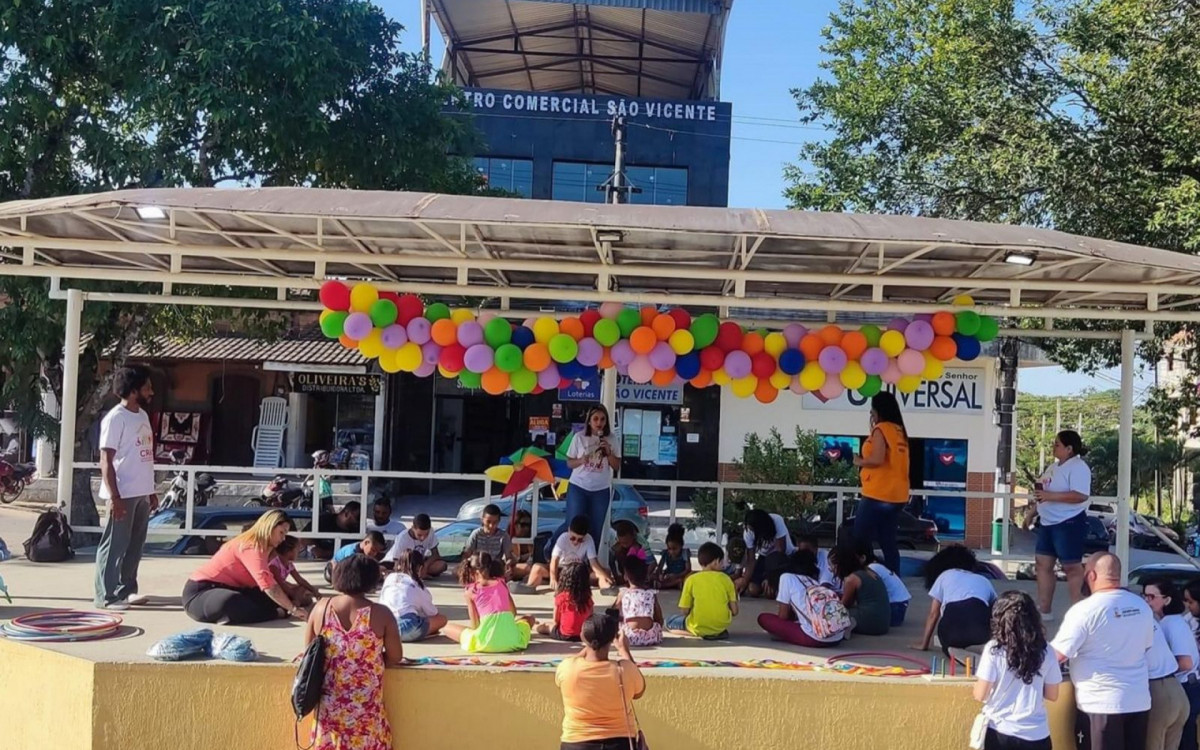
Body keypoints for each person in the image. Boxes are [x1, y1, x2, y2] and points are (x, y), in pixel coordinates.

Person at [1050, 553, 1154, 750]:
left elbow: (1057, 655)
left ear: (1091, 576)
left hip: (1099, 705)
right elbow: (1146, 646)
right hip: (1138, 701)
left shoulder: (1084, 610)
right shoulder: (1141, 606)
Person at [304, 553, 402, 750]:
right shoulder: (381, 614)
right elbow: (395, 656)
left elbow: (309, 651)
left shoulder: (321, 608)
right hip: (366, 706)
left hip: (329, 705)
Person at [94, 366, 158, 611]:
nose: (151, 392)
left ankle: (127, 590)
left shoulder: (141, 415)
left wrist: (150, 491)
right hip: (122, 494)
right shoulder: (115, 418)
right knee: (114, 546)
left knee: (134, 545)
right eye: (147, 387)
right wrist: (115, 497)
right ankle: (106, 597)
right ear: (133, 391)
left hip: (141, 493)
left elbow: (143, 455)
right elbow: (106, 460)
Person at [183, 509, 310, 624]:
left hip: (236, 588)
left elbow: (271, 583)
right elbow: (268, 584)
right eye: (281, 533)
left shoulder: (266, 549)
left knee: (277, 598)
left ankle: (252, 613)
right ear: (269, 527)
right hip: (202, 592)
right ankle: (273, 613)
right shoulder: (250, 546)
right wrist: (293, 609)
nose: (283, 539)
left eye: (285, 534)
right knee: (231, 601)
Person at [973, 591, 1062, 750]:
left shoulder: (994, 649)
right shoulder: (1046, 650)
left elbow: (980, 695)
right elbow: (1052, 695)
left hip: (1000, 731)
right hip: (1037, 735)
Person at [555, 613, 646, 750]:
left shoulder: (567, 668)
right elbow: (639, 691)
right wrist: (623, 649)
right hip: (619, 743)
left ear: (582, 636)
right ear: (612, 640)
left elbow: (573, 663)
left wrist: (589, 644)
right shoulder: (624, 669)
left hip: (576, 743)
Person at [1033, 429, 1093, 620]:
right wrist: (1032, 513)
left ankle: (1079, 613)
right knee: (1042, 564)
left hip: (1068, 522)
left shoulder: (1079, 467)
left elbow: (1080, 495)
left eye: (1057, 444)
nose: (1053, 447)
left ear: (1069, 448)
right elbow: (1043, 492)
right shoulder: (1053, 466)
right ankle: (1044, 609)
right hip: (1047, 521)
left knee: (1071, 567)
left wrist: (1051, 496)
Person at [548, 405, 620, 559]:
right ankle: (554, 551)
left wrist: (608, 452)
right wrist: (581, 460)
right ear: (589, 421)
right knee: (572, 522)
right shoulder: (579, 437)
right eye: (595, 419)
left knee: (595, 527)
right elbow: (569, 463)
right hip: (579, 486)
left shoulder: (612, 439)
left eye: (602, 419)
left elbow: (616, 466)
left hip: (601, 489)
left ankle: (586, 562)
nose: (599, 422)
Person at [852, 391, 910, 574]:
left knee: (859, 539)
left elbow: (876, 459)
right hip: (898, 495)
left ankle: (864, 577)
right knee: (888, 541)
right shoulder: (899, 431)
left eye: (872, 411)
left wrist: (859, 461)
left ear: (878, 411)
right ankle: (894, 581)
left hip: (877, 494)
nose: (871, 415)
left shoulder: (881, 429)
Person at [757, 548, 849, 648]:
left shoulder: (786, 577)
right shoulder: (814, 581)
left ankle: (788, 634)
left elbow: (783, 616)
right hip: (838, 635)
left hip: (816, 638)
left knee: (763, 618)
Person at [443, 551, 533, 653]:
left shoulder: (471, 591)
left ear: (473, 572)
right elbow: (513, 613)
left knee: (447, 627)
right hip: (512, 641)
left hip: (484, 643)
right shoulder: (501, 583)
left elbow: (475, 626)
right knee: (529, 618)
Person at [912, 545, 996, 653]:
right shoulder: (983, 580)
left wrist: (924, 644)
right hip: (980, 632)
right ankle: (983, 646)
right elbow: (997, 612)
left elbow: (933, 614)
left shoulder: (945, 575)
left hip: (952, 624)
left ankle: (951, 648)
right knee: (984, 611)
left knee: (948, 638)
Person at [1142, 579, 1193, 750]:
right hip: (1178, 693)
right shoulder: (1168, 622)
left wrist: (1163, 670)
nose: (1147, 601)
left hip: (1175, 687)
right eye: (1145, 596)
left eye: (1151, 596)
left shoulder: (1171, 623)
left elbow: (1186, 663)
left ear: (1167, 599)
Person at [521, 515, 614, 592]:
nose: (576, 542)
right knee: (537, 567)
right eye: (573, 538)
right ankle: (529, 586)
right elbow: (554, 559)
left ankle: (607, 589)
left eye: (580, 539)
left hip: (579, 572)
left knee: (604, 573)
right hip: (561, 570)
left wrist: (605, 576)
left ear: (585, 536)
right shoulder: (563, 538)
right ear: (569, 530)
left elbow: (593, 563)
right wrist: (553, 578)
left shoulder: (589, 539)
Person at [666, 542, 738, 640]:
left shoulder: (691, 579)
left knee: (669, 620)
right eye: (722, 562)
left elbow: (684, 611)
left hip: (697, 624)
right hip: (721, 626)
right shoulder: (727, 579)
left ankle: (695, 632)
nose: (723, 565)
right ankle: (715, 632)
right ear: (716, 561)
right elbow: (735, 611)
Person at [380, 549, 447, 642]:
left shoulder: (389, 578)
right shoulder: (417, 584)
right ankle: (422, 633)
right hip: (407, 626)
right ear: (419, 568)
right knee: (442, 619)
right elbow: (433, 613)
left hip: (385, 626)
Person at [829, 539, 891, 635]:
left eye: (833, 566)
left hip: (872, 621)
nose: (831, 569)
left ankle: (848, 624)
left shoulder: (851, 579)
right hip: (884, 623)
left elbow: (844, 605)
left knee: (832, 614)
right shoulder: (868, 571)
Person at [734, 508, 796, 598]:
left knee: (770, 593)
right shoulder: (748, 532)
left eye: (752, 528)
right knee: (753, 590)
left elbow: (780, 551)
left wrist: (770, 578)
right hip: (764, 557)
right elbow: (751, 560)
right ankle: (765, 584)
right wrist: (745, 581)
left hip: (783, 558)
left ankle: (777, 587)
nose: (750, 530)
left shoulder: (776, 520)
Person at [536, 560, 594, 642]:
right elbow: (590, 619)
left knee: (546, 625)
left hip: (565, 634)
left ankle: (535, 627)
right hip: (583, 635)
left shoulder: (561, 597)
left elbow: (555, 621)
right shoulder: (588, 598)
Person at [860, 540, 911, 626]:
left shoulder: (872, 568)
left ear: (863, 558)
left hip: (895, 607)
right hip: (900, 606)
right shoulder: (878, 566)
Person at [617, 556, 664, 646]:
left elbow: (613, 614)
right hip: (651, 637)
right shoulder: (651, 593)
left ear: (626, 576)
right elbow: (659, 618)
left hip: (628, 636)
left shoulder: (623, 593)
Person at [382, 513, 446, 578]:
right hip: (397, 563)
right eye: (419, 535)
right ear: (413, 528)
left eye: (426, 534)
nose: (423, 538)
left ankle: (418, 573)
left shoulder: (431, 532)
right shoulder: (402, 538)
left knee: (442, 565)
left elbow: (436, 554)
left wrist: (425, 566)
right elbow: (396, 560)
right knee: (386, 569)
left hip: (417, 564)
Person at [269, 535, 319, 608]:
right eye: (297, 550)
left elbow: (300, 580)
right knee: (304, 598)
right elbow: (281, 584)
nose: (298, 553)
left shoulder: (289, 564)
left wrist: (314, 591)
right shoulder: (274, 565)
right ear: (288, 551)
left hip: (286, 589)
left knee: (304, 590)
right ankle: (295, 601)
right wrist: (294, 595)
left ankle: (296, 601)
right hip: (276, 589)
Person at [652, 523, 691, 590]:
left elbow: (688, 569)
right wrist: (660, 575)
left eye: (674, 549)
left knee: (688, 578)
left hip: (681, 575)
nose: (672, 551)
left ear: (681, 546)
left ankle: (672, 584)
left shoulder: (684, 553)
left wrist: (676, 576)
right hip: (669, 575)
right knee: (653, 577)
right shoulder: (665, 553)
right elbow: (660, 567)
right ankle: (673, 584)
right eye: (669, 548)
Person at [607, 519, 647, 585]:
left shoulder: (641, 543)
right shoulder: (617, 545)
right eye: (622, 542)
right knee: (613, 552)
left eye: (626, 542)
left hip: (639, 573)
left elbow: (651, 562)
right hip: (624, 572)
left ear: (633, 537)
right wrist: (616, 576)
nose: (624, 545)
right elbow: (611, 559)